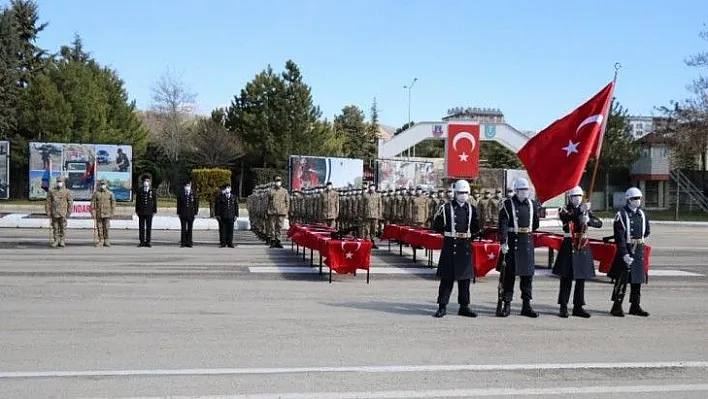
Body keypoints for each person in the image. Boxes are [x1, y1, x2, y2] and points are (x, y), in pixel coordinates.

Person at [431, 179, 480, 318]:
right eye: (460, 193)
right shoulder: (445, 208)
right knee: (447, 279)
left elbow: (476, 228)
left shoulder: (472, 209)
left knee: (465, 280)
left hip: (464, 247)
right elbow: (437, 226)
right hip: (450, 246)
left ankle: (464, 306)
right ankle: (442, 306)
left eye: (465, 193)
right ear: (455, 193)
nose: (463, 195)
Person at [552, 186, 602, 318]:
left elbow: (599, 223)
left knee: (581, 278)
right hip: (569, 244)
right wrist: (580, 210)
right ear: (570, 198)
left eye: (579, 196)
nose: (577, 198)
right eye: (574, 196)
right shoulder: (564, 209)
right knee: (566, 278)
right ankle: (563, 306)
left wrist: (589, 221)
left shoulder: (586, 210)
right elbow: (566, 219)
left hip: (582, 244)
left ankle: (578, 306)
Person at [497, 177, 540, 318]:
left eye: (526, 189)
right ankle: (507, 304)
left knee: (527, 277)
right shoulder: (508, 204)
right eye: (522, 190)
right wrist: (503, 242)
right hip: (512, 244)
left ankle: (526, 305)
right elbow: (503, 224)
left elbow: (535, 224)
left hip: (526, 243)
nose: (524, 192)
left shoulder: (532, 204)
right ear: (516, 191)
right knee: (509, 277)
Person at [609, 187, 651, 317]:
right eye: (634, 198)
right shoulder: (621, 214)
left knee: (637, 280)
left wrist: (638, 243)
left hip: (638, 249)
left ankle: (635, 305)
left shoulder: (642, 214)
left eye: (638, 198)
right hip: (626, 249)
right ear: (628, 199)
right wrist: (624, 254)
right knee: (622, 280)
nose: (637, 201)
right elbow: (619, 236)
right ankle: (617, 305)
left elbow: (647, 231)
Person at [45, 176, 73, 248]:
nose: (59, 183)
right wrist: (48, 211)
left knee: (63, 227)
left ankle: (62, 240)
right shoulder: (51, 191)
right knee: (55, 227)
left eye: (60, 182)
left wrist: (69, 212)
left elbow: (70, 203)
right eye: (58, 181)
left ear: (63, 182)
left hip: (63, 212)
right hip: (54, 212)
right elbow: (48, 203)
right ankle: (56, 240)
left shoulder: (67, 192)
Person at [90, 179, 116, 247]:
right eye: (101, 184)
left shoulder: (110, 193)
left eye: (104, 184)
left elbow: (113, 204)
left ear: (106, 185)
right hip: (99, 213)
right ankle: (101, 240)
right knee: (99, 227)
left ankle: (106, 240)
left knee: (106, 227)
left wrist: (112, 213)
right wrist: (92, 212)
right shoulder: (96, 193)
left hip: (107, 213)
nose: (102, 185)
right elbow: (92, 203)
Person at [266, 176, 290, 248]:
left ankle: (278, 241)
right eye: (277, 180)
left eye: (279, 180)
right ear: (274, 182)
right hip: (272, 212)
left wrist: (286, 211)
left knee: (279, 227)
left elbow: (287, 202)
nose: (278, 182)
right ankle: (273, 241)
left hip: (281, 212)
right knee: (272, 227)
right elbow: (267, 201)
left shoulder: (284, 191)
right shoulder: (270, 190)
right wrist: (266, 211)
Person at [135, 174, 157, 247]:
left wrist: (154, 211)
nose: (146, 182)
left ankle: (148, 242)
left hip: (149, 212)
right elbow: (137, 201)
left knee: (148, 228)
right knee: (141, 228)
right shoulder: (140, 190)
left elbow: (155, 202)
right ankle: (141, 241)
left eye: (147, 181)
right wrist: (137, 210)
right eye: (145, 181)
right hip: (141, 212)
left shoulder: (152, 190)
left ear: (150, 182)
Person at [215, 183, 238, 248]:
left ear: (230, 189)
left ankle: (230, 243)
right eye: (226, 188)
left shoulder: (234, 197)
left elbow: (236, 207)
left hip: (231, 216)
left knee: (230, 230)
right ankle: (223, 243)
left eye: (229, 188)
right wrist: (217, 215)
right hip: (223, 216)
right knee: (222, 230)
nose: (228, 189)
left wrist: (236, 215)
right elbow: (218, 206)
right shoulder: (221, 197)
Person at [177, 180, 199, 247]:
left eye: (189, 185)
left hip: (191, 213)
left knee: (190, 228)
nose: (188, 187)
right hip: (183, 213)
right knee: (183, 228)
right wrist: (179, 213)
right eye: (186, 185)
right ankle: (183, 242)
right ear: (184, 186)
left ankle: (189, 242)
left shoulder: (194, 193)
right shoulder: (181, 193)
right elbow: (179, 204)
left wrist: (195, 212)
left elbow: (196, 204)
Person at [362, 183, 381, 248]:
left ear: (375, 188)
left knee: (374, 229)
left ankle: (373, 242)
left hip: (375, 215)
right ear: (369, 187)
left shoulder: (378, 195)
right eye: (371, 186)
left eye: (373, 187)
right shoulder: (365, 195)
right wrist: (362, 214)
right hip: (367, 215)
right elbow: (362, 206)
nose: (372, 188)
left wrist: (379, 215)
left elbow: (380, 206)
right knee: (367, 229)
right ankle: (368, 242)